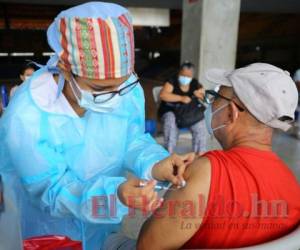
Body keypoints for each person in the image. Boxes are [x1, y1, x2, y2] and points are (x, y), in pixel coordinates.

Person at [0, 2, 194, 249]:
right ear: (65, 68)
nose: (115, 97)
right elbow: (52, 192)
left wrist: (156, 164)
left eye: (120, 84)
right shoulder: (26, 116)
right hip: (45, 233)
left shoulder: (127, 92)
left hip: (102, 229)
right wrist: (114, 195)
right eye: (100, 89)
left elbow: (132, 141)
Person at [137, 63, 300, 249]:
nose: (209, 104)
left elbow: (147, 246)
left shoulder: (205, 172)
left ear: (231, 112)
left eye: (215, 97)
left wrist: (168, 194)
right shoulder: (291, 183)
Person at [158, 62, 206, 155]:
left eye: (188, 76)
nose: (185, 77)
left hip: (188, 114)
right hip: (171, 111)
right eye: (183, 75)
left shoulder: (195, 83)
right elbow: (163, 95)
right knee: (170, 121)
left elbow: (204, 97)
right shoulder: (172, 81)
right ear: (179, 73)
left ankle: (199, 154)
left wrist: (199, 94)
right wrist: (181, 98)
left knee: (200, 124)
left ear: (192, 75)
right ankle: (168, 154)